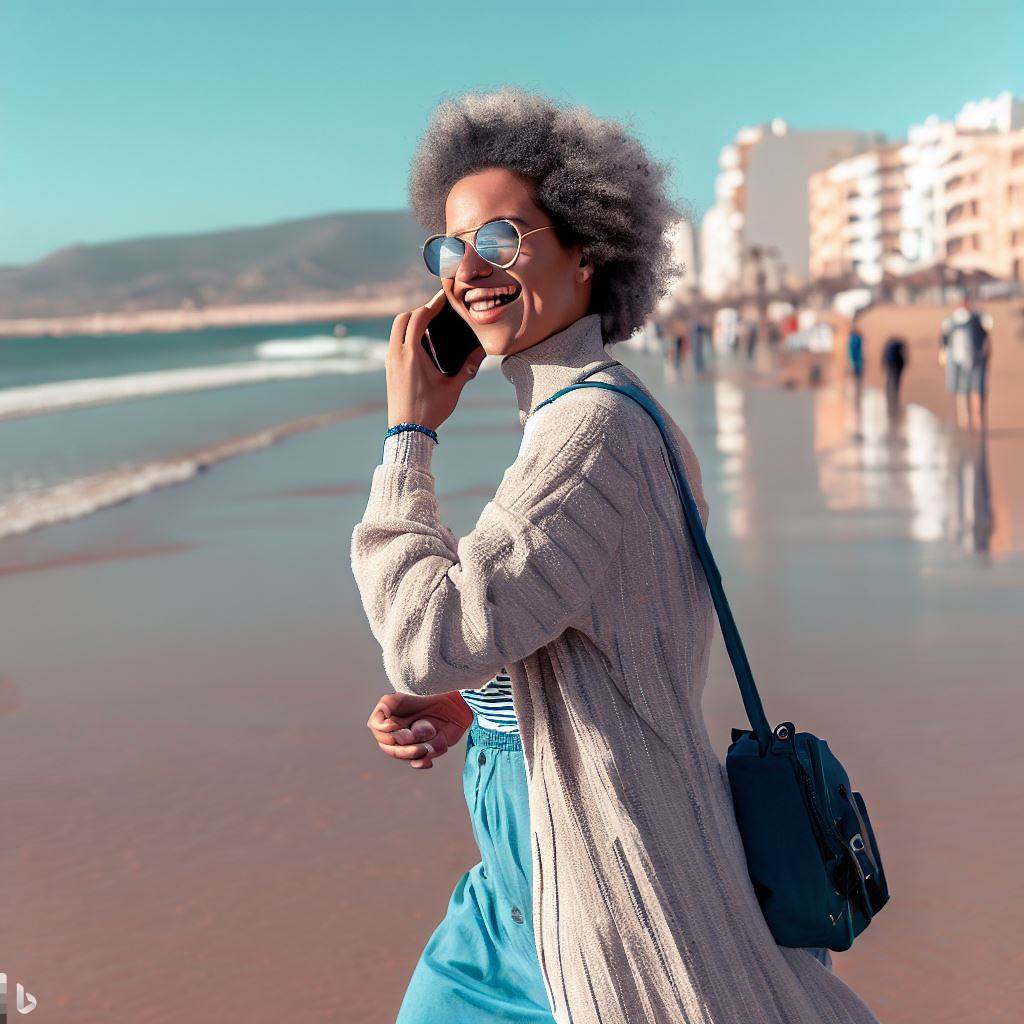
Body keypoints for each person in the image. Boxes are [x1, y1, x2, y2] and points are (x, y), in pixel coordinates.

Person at [352, 86, 882, 1024]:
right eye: (450, 247)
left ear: (587, 251)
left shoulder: (590, 431)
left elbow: (424, 635)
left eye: (502, 240)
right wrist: (481, 698)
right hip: (514, 880)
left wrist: (408, 436)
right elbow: (595, 623)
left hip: (595, 863)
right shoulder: (576, 416)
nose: (467, 269)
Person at [941, 296, 993, 431]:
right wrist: (943, 354)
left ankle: (977, 418)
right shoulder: (951, 321)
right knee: (962, 390)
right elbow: (944, 339)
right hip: (958, 360)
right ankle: (964, 419)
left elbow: (988, 330)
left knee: (975, 389)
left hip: (976, 358)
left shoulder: (977, 317)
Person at [881, 336, 908, 411]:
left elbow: (883, 357)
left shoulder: (888, 347)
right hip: (897, 365)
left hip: (891, 365)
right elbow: (903, 358)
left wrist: (882, 365)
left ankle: (889, 393)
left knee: (890, 378)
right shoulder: (897, 348)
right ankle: (895, 393)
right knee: (896, 379)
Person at [847, 319, 864, 402]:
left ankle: (858, 390)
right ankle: (857, 390)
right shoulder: (854, 339)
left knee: (858, 377)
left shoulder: (855, 338)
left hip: (857, 360)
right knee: (857, 376)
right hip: (856, 360)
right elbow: (852, 350)